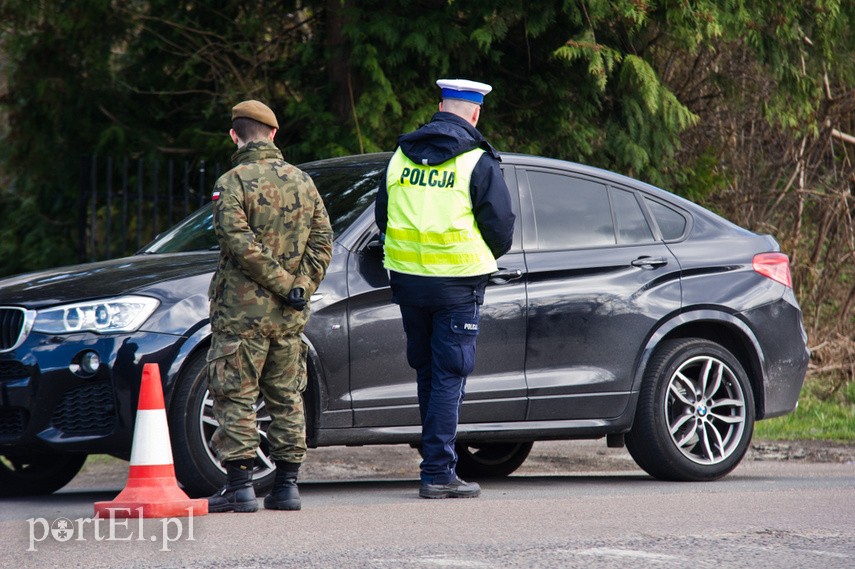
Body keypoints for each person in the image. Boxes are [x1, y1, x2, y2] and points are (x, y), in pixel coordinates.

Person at [375, 79, 516, 499]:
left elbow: (383, 217)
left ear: (440, 106)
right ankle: (437, 472)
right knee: (449, 376)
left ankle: (434, 463)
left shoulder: (400, 156)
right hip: (457, 285)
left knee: (428, 372)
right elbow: (501, 228)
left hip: (408, 281)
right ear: (475, 114)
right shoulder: (477, 161)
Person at [206, 99, 333, 513]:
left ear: (234, 134)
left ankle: (241, 488)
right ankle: (287, 486)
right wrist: (300, 287)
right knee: (286, 396)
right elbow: (322, 241)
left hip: (241, 316)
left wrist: (283, 284)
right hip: (288, 316)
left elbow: (237, 243)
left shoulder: (232, 181)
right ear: (274, 135)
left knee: (237, 394)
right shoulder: (303, 182)